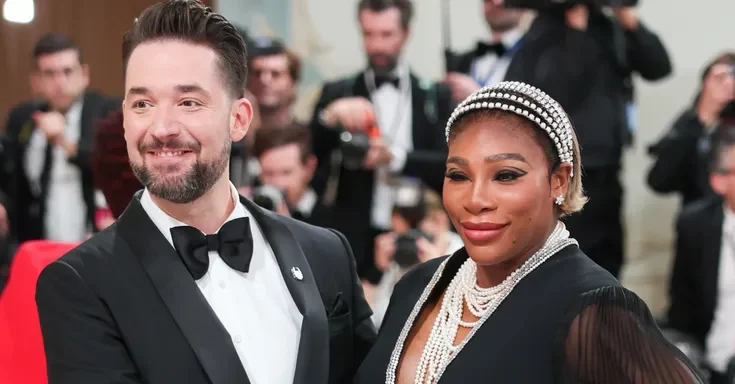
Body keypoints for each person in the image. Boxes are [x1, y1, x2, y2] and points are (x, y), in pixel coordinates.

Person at [34, 2, 375, 384]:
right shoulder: (81, 284)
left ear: (239, 119)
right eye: (143, 104)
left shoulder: (326, 253)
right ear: (126, 120)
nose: (161, 128)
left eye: (188, 103)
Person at [353, 81, 704, 383]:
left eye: (506, 175)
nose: (475, 200)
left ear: (559, 180)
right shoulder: (417, 285)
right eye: (458, 176)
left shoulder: (593, 308)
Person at [1, 34, 120, 245]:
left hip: (96, 240)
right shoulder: (22, 118)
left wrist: (63, 141)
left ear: (84, 74)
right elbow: (8, 175)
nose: (60, 82)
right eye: (49, 74)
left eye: (67, 72)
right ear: (35, 81)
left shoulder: (107, 112)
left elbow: (113, 166)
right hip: (38, 243)